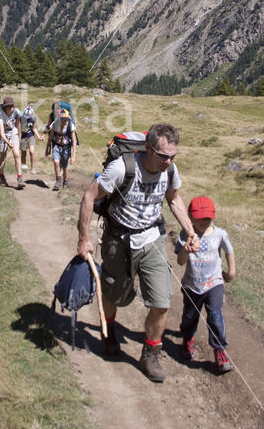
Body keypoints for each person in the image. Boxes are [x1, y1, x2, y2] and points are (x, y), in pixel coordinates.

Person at [77, 122, 200, 382]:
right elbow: (89, 197)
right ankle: (109, 330)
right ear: (147, 148)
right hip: (118, 239)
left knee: (162, 301)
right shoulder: (122, 167)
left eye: (172, 156)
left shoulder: (170, 170)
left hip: (152, 238)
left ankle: (150, 354)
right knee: (114, 293)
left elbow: (174, 198)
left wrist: (190, 230)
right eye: (162, 155)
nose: (168, 162)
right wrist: (83, 238)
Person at [175, 195, 235, 373]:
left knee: (215, 316)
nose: (204, 221)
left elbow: (229, 251)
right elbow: (180, 261)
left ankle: (220, 350)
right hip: (192, 285)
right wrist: (186, 249)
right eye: (200, 218)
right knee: (189, 317)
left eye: (207, 218)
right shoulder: (186, 234)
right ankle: (188, 338)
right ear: (191, 217)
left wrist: (231, 272)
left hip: (214, 283)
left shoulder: (219, 234)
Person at [0, 96, 25, 189]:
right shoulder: (0, 115)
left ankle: (19, 178)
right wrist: (8, 142)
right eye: (8, 107)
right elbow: (1, 132)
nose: (11, 108)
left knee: (16, 154)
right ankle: (1, 176)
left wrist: (19, 136)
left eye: (12, 106)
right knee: (3, 155)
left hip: (13, 132)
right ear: (5, 107)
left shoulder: (16, 112)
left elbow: (18, 124)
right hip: (3, 135)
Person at [45, 108, 77, 191]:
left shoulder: (71, 126)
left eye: (65, 119)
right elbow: (50, 137)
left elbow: (74, 141)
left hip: (66, 147)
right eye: (62, 119)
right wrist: (47, 148)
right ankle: (58, 180)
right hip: (56, 145)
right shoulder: (55, 124)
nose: (64, 121)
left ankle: (65, 182)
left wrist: (73, 156)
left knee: (65, 166)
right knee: (56, 161)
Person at [20, 104, 44, 173]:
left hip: (31, 136)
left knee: (31, 151)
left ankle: (33, 167)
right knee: (23, 152)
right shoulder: (21, 117)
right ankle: (24, 167)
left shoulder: (33, 118)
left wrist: (38, 136)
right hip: (23, 136)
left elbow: (34, 128)